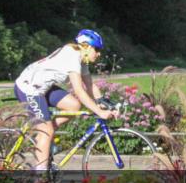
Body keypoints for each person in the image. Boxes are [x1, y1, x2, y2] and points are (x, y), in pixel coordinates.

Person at [14, 29, 118, 170]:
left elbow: (89, 85)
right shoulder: (72, 56)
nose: (99, 53)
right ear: (86, 46)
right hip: (28, 88)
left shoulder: (82, 60)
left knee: (74, 106)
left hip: (43, 87)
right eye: (97, 49)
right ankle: (40, 179)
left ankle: (44, 135)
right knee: (47, 130)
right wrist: (99, 112)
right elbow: (79, 91)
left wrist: (103, 102)